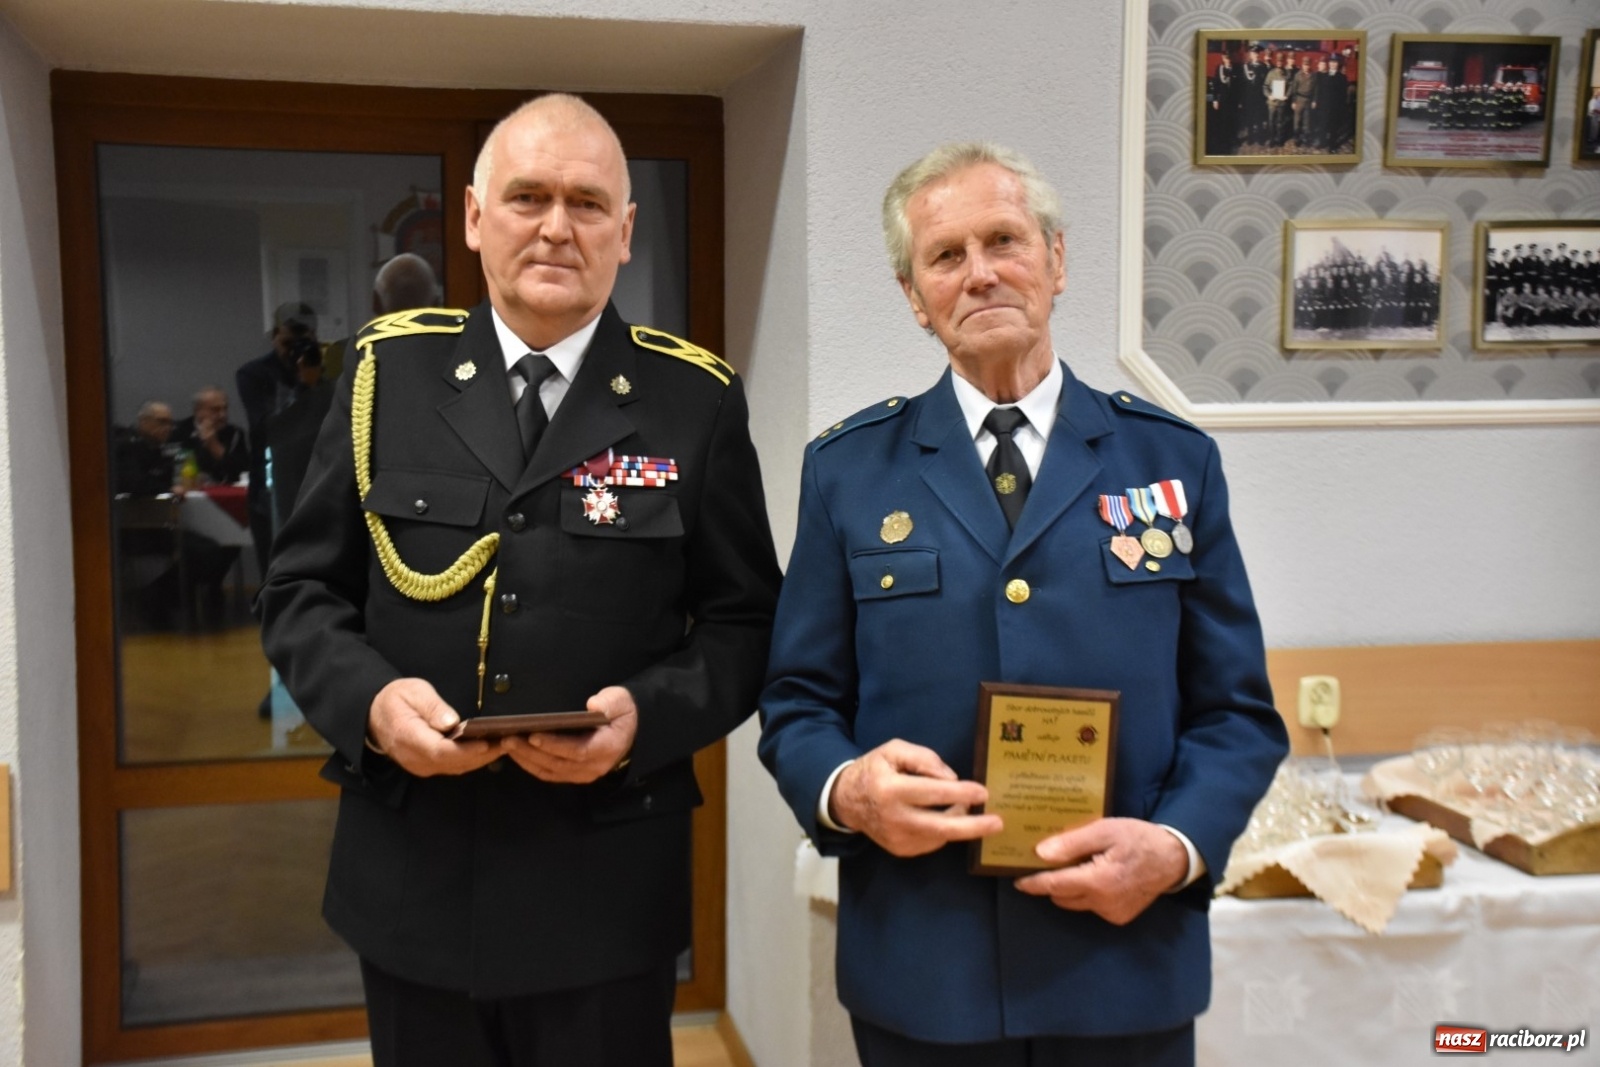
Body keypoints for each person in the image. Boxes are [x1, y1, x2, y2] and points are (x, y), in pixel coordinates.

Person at [257, 93, 780, 1067]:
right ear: (472, 216)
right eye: (528, 196)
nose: (555, 227)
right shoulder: (385, 375)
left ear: (625, 232)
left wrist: (647, 716)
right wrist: (373, 705)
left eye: (587, 203)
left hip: (603, 883)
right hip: (414, 873)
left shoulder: (692, 399)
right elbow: (299, 594)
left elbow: (745, 622)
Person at [758, 142, 1287, 1067]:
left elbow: (1236, 712)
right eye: (945, 255)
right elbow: (798, 703)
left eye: (1003, 240)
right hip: (927, 965)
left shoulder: (1172, 460)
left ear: (1056, 258)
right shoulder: (848, 471)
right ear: (914, 296)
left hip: (1124, 956)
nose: (981, 273)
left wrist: (1175, 847)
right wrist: (850, 791)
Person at [236, 300, 323, 567]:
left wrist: (316, 379)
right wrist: (302, 387)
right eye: (287, 344)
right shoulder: (253, 374)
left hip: (318, 487)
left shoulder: (328, 371)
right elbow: (265, 429)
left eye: (302, 344)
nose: (293, 353)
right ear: (274, 336)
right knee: (274, 569)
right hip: (269, 491)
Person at [172, 386, 249, 486]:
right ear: (198, 411)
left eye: (225, 409)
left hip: (224, 491)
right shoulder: (179, 432)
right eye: (215, 410)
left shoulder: (235, 434)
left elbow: (241, 471)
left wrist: (213, 445)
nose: (222, 415)